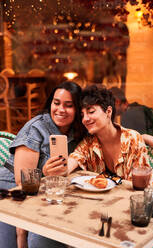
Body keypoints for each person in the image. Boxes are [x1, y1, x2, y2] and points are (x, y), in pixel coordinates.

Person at [0, 81, 85, 248]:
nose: (60, 110)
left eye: (68, 105)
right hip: (11, 189)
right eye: (56, 103)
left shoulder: (78, 130)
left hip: (48, 192)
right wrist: (45, 172)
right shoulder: (36, 128)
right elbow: (21, 181)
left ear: (78, 109)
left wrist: (142, 137)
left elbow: (108, 127)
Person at [63, 85, 153, 187]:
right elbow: (72, 161)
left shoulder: (132, 140)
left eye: (91, 112)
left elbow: (141, 186)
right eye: (82, 115)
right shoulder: (88, 144)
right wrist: (58, 169)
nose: (85, 119)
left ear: (108, 112)